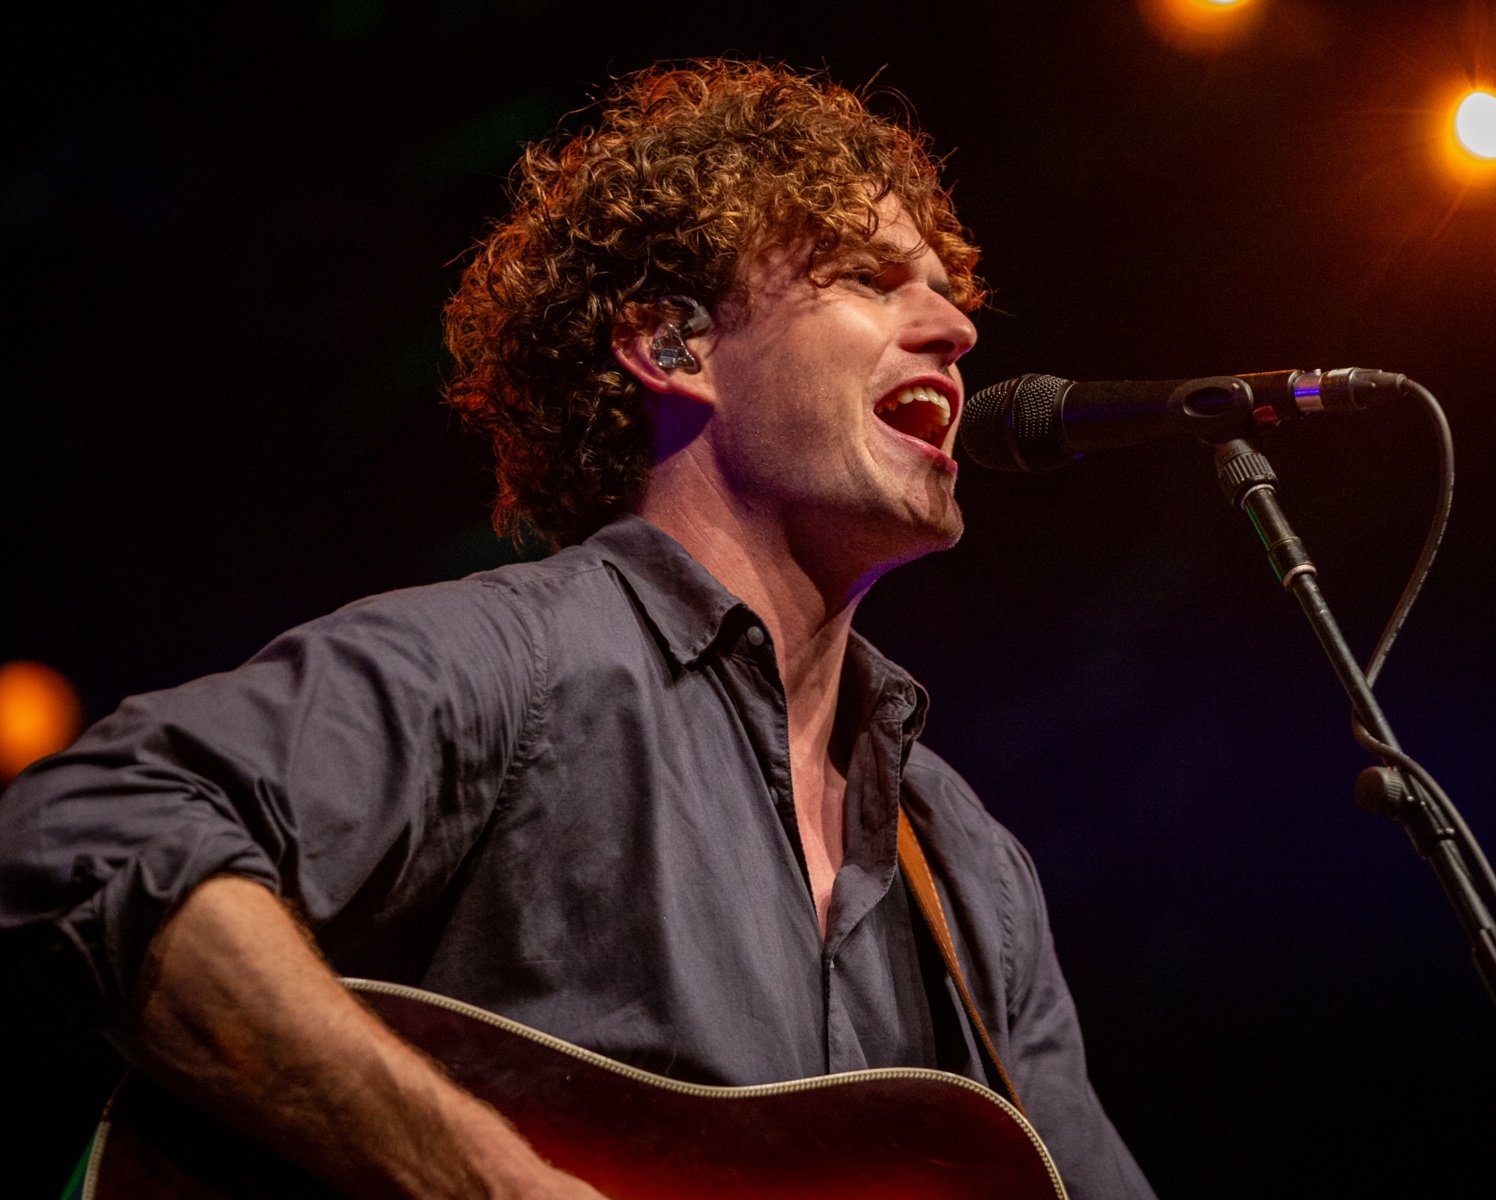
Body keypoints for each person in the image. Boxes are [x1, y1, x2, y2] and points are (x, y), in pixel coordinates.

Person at [0, 61, 1156, 1199]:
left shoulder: (966, 866)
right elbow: (91, 826)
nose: (954, 326)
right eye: (869, 277)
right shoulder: (515, 668)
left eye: (949, 290)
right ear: (673, 349)